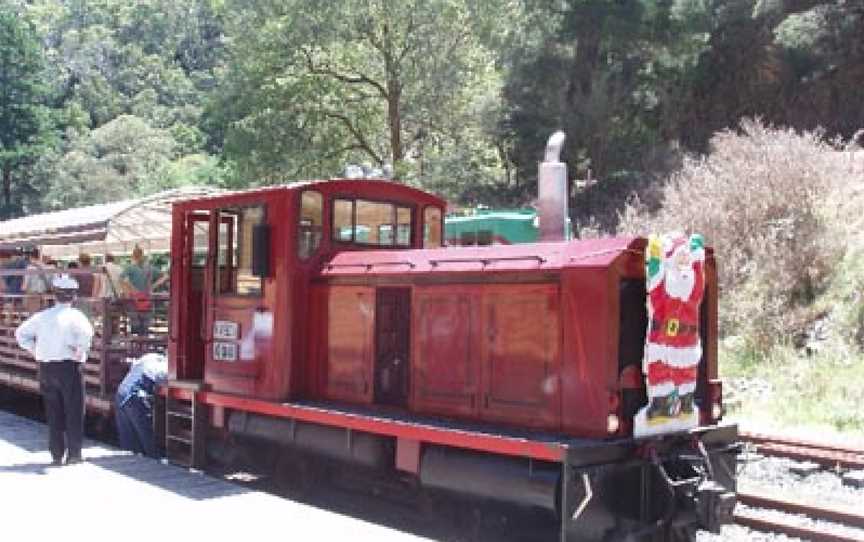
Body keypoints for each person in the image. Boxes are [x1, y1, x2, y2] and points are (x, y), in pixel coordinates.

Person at [15, 274, 94, 466]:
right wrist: (79, 351)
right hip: (69, 367)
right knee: (74, 410)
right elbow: (87, 335)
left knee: (53, 411)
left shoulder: (42, 316)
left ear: (54, 295)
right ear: (73, 296)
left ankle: (56, 454)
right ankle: (74, 454)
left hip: (46, 368)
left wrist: (34, 350)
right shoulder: (76, 316)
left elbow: (21, 334)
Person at [114, 353, 168, 458]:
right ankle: (154, 459)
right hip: (134, 396)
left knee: (127, 435)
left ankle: (130, 459)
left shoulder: (148, 357)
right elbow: (163, 379)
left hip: (121, 392)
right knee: (145, 432)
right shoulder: (164, 366)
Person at [121, 246, 166, 335]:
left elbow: (121, 279)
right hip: (147, 299)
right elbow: (165, 276)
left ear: (133, 256)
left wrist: (130, 289)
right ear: (143, 255)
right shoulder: (150, 268)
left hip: (134, 300)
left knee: (135, 326)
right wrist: (153, 286)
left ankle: (137, 346)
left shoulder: (130, 268)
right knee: (145, 327)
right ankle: (144, 346)